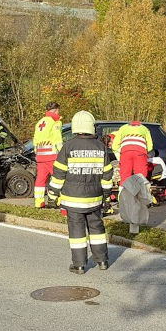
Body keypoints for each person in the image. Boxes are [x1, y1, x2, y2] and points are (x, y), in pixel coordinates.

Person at [47, 110, 114, 273]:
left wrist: (52, 196)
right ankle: (102, 261)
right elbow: (107, 174)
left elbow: (58, 175)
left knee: (77, 232)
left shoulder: (68, 146)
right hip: (95, 198)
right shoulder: (101, 147)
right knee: (97, 229)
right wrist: (106, 196)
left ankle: (79, 265)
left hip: (72, 199)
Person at [32, 101, 63, 207]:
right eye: (58, 110)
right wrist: (62, 152)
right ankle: (56, 200)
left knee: (40, 179)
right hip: (52, 156)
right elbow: (57, 139)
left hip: (40, 156)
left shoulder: (40, 122)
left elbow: (35, 139)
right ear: (55, 110)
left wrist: (37, 153)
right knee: (58, 178)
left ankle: (38, 202)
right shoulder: (55, 122)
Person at [112, 117, 154, 186]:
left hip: (126, 152)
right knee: (141, 177)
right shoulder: (145, 129)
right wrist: (144, 151)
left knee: (125, 176)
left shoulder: (123, 128)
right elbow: (150, 146)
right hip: (140, 152)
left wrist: (122, 151)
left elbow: (115, 145)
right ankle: (141, 195)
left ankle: (123, 195)